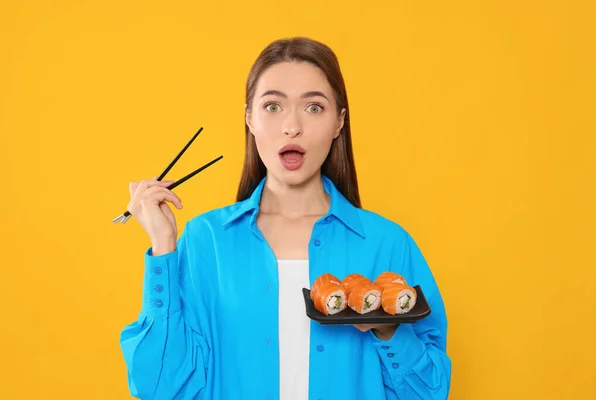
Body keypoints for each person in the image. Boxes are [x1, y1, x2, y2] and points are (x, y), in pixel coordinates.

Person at [119, 36, 451, 400]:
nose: (292, 126)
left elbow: (429, 392)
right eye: (273, 106)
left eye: (313, 108)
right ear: (249, 118)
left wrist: (386, 329)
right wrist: (164, 249)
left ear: (339, 122)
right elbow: (158, 386)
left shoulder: (386, 243)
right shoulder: (205, 241)